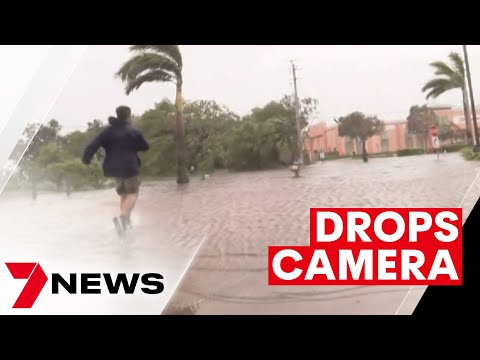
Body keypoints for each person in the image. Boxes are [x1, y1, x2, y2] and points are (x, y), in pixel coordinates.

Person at [82, 106, 150, 237]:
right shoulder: (133, 131)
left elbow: (93, 144)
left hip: (114, 169)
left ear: (117, 115)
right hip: (130, 167)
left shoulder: (108, 131)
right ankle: (124, 218)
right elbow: (145, 146)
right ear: (129, 116)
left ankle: (126, 223)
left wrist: (86, 158)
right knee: (132, 194)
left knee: (124, 194)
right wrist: (134, 146)